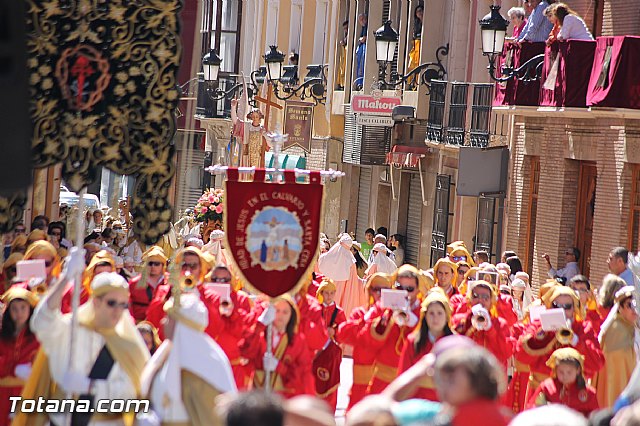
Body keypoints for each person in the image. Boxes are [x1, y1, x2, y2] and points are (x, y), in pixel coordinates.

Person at [18, 266, 149, 425]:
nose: (117, 310)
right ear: (96, 301)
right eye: (112, 303)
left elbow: (132, 392)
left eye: (123, 305)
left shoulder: (128, 345)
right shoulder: (69, 329)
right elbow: (42, 321)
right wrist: (65, 277)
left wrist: (91, 387)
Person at [138, 292, 237, 425]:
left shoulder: (206, 367)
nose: (163, 322)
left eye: (168, 318)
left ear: (180, 324)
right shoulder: (165, 353)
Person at [515, 285, 604, 401]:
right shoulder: (538, 325)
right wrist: (542, 337)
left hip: (573, 395)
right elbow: (520, 357)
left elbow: (597, 364)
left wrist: (575, 340)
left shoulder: (583, 328)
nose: (561, 310)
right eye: (556, 306)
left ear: (574, 309)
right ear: (549, 307)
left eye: (567, 306)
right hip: (541, 392)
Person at [360, 265, 422, 394]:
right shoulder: (383, 307)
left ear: (417, 290)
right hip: (382, 379)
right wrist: (385, 320)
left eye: (409, 289)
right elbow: (364, 339)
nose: (405, 294)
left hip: (411, 382)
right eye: (400, 288)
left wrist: (413, 321)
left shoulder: (424, 312)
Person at [240, 295, 313, 398]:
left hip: (285, 399)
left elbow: (302, 374)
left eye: (285, 312)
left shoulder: (298, 341)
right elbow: (245, 352)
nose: (280, 315)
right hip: (258, 397)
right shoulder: (260, 336)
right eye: (277, 310)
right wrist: (260, 324)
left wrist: (279, 367)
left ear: (291, 315)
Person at [337, 272, 392, 409]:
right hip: (360, 385)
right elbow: (343, 334)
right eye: (376, 289)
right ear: (370, 291)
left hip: (386, 383)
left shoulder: (395, 316)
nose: (380, 294)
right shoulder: (360, 313)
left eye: (384, 290)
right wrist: (367, 319)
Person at [398, 288, 454, 401]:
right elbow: (403, 375)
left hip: (444, 404)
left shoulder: (454, 343)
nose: (435, 318)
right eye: (431, 313)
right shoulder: (413, 341)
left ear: (447, 316)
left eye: (440, 313)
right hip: (417, 403)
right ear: (425, 315)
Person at [433, 344, 511, 426]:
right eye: (441, 381)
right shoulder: (504, 415)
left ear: (477, 381)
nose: (442, 386)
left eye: (451, 380)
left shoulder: (462, 415)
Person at [203, 264, 253, 390]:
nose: (220, 283)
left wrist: (233, 314)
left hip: (234, 365)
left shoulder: (241, 299)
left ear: (232, 281)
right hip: (209, 362)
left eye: (225, 280)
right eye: (216, 279)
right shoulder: (203, 298)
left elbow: (246, 331)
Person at [452, 280, 514, 369]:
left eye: (485, 297)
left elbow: (506, 353)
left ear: (491, 302)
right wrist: (468, 324)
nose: (480, 300)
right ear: (469, 299)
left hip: (490, 376)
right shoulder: (459, 320)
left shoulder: (501, 324)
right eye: (476, 296)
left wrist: (490, 329)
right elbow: (452, 348)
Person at [593, 286, 638, 408]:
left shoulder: (630, 326)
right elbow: (615, 375)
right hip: (618, 395)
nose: (635, 310)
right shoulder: (616, 329)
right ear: (620, 308)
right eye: (629, 305)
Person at [0, 288, 39, 426]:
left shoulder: (37, 337)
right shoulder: (2, 336)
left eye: (23, 308)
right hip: (3, 395)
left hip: (26, 393)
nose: (19, 313)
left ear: (30, 309)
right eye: (14, 309)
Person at [528, 348, 599, 416]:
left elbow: (595, 417)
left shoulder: (589, 393)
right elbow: (531, 410)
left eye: (569, 372)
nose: (565, 376)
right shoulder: (547, 386)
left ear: (578, 370)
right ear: (555, 370)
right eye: (561, 372)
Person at [314, 279, 346, 411]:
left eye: (332, 293)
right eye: (326, 293)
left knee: (332, 380)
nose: (329, 296)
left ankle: (330, 410)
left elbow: (344, 333)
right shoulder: (315, 309)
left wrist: (335, 332)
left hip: (333, 353)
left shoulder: (339, 312)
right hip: (317, 352)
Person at [129, 245, 169, 323]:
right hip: (139, 325)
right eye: (150, 263)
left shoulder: (170, 282)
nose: (153, 266)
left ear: (163, 265)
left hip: (162, 325)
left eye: (157, 264)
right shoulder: (134, 283)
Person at [231, 98, 268, 168]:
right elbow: (235, 121)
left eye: (256, 117)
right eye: (253, 116)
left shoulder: (262, 129)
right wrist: (233, 107)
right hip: (247, 155)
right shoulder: (246, 126)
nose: (255, 118)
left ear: (259, 118)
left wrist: (265, 135)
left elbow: (270, 143)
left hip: (258, 157)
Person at [354, 13, 367, 89]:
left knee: (362, 66)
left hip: (364, 49)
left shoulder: (366, 27)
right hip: (361, 48)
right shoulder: (363, 27)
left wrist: (360, 39)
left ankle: (361, 83)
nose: (361, 22)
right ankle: (359, 82)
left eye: (361, 20)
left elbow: (363, 39)